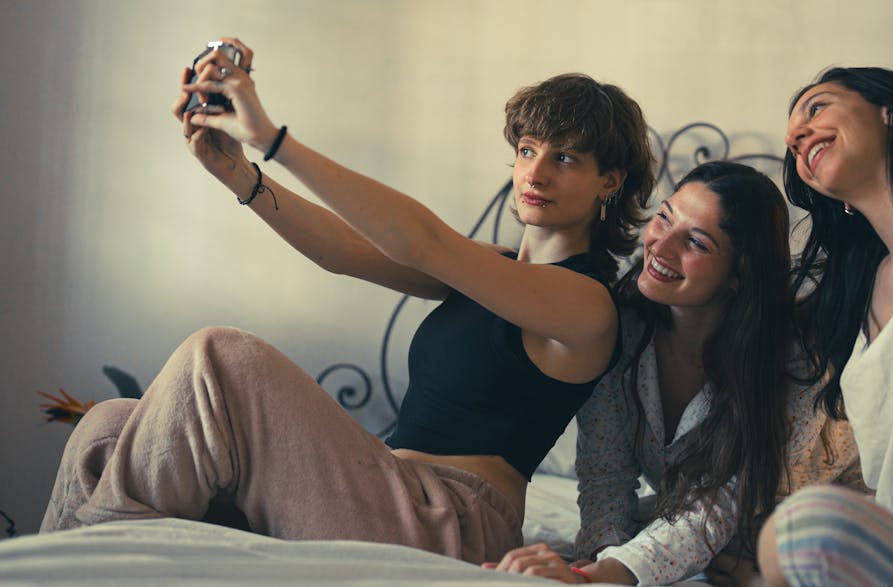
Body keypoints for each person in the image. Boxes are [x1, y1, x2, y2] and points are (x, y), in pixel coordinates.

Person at [39, 38, 658, 565]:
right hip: (382, 489)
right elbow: (343, 249)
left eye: (566, 157)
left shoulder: (587, 305)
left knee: (219, 357)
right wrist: (239, 174)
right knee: (108, 425)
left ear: (612, 180)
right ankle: (96, 558)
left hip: (450, 523)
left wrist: (272, 138)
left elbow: (422, 243)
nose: (536, 172)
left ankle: (79, 562)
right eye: (527, 149)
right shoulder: (489, 266)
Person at [486, 160, 867, 585]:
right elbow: (606, 478)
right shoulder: (616, 328)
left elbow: (719, 502)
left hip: (832, 530)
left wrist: (611, 574)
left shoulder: (792, 360)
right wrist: (590, 568)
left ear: (740, 275)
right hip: (726, 528)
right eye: (665, 217)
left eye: (697, 243)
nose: (661, 247)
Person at [756, 67, 893, 586]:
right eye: (792, 141)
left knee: (800, 528)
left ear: (889, 111)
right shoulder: (861, 291)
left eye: (817, 108)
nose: (794, 137)